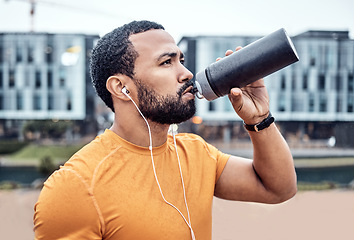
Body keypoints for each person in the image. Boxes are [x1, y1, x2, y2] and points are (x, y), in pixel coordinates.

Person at [33, 20, 297, 240]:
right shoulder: (76, 187)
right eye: (166, 63)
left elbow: (278, 188)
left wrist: (259, 118)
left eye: (181, 60)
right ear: (120, 87)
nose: (186, 73)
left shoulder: (196, 153)